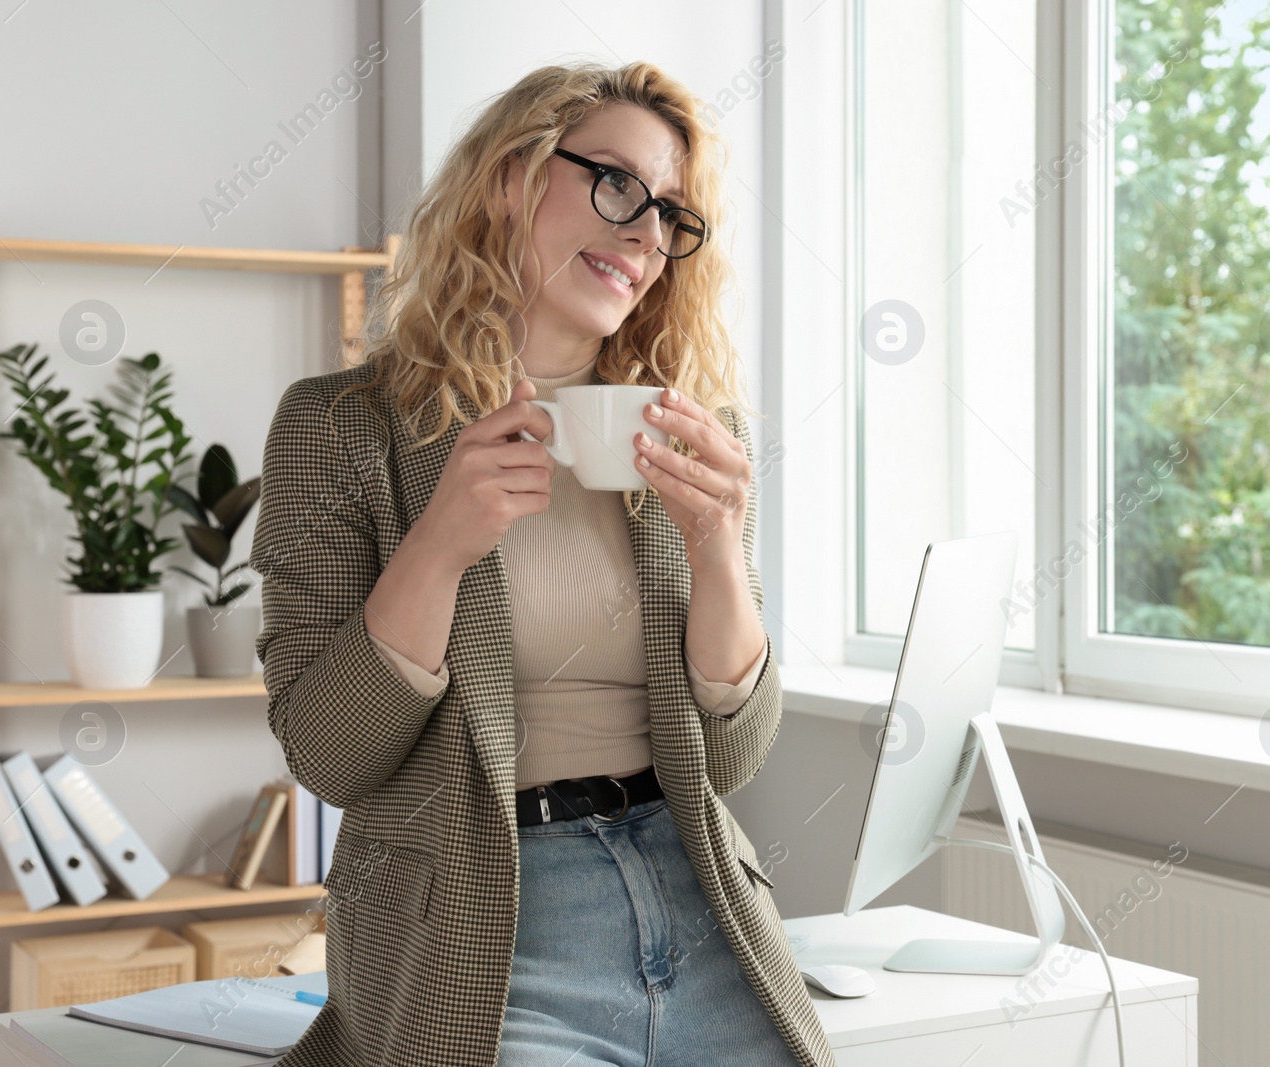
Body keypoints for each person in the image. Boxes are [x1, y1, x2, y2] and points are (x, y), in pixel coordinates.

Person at [250, 60, 838, 1067]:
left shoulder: (693, 429)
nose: (646, 233)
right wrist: (439, 544)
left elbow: (733, 759)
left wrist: (719, 554)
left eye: (670, 215)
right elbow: (327, 754)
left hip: (691, 890)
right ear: (511, 177)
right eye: (616, 184)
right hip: (484, 920)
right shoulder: (342, 429)